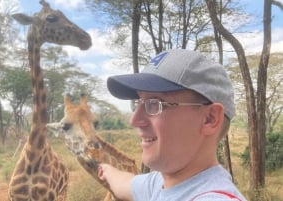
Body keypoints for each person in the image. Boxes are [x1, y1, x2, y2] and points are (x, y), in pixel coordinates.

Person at [98, 49, 247, 201]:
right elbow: (122, 181)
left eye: (155, 104)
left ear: (210, 119)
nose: (134, 120)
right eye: (138, 102)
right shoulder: (157, 185)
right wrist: (104, 169)